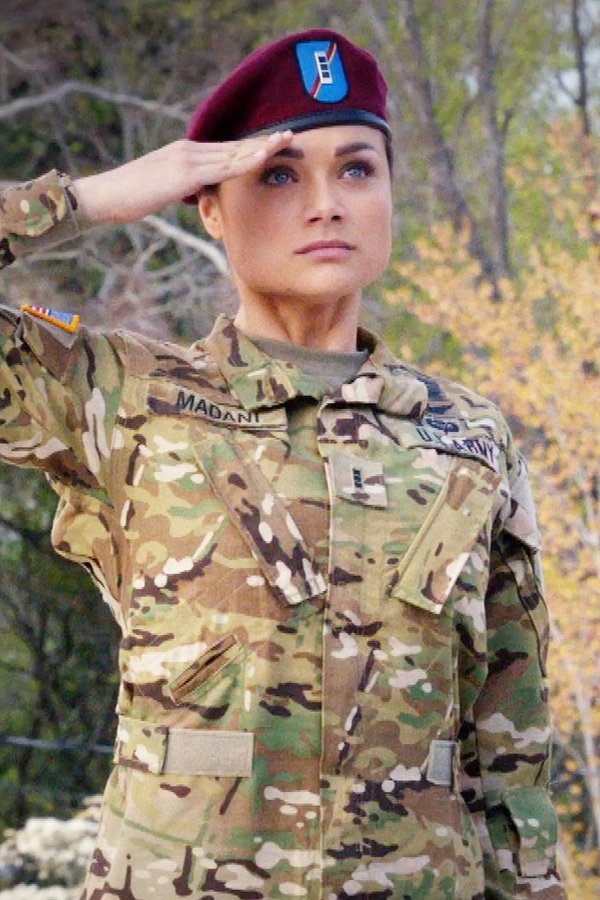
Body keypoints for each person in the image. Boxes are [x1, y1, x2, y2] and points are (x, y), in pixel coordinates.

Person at [0, 28, 565, 900]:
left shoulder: (469, 434)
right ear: (209, 206)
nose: (326, 204)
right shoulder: (119, 393)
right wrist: (83, 200)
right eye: (278, 175)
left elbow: (512, 755)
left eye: (357, 170)